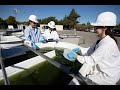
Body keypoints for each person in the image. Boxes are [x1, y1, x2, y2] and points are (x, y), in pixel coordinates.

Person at [67, 12, 120, 85]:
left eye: (97, 27)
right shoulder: (101, 40)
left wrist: (76, 56)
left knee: (84, 80)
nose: (95, 29)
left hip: (107, 76)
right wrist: (79, 50)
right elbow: (91, 49)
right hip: (105, 70)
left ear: (105, 27)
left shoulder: (107, 44)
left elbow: (91, 60)